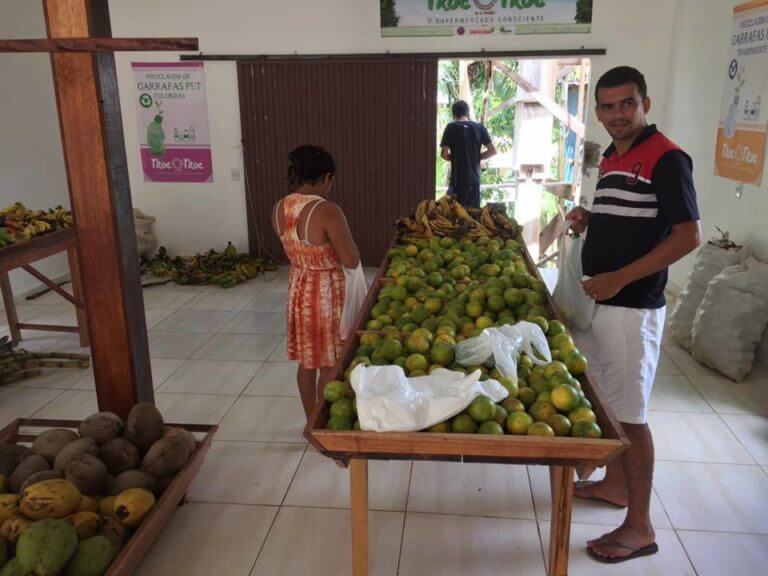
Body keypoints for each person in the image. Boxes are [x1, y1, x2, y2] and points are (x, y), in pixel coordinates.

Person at [565, 66, 701, 563]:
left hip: (632, 307)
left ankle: (640, 526)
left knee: (632, 418)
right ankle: (615, 486)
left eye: (627, 104)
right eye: (607, 106)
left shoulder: (667, 158)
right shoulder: (612, 157)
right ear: (597, 111)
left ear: (645, 103)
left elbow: (687, 236)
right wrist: (589, 217)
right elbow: (633, 217)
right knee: (611, 406)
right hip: (604, 301)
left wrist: (621, 277)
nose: (617, 115)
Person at [272, 145, 360, 420]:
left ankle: (310, 418)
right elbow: (351, 259)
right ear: (326, 177)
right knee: (330, 364)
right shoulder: (327, 211)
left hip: (299, 290)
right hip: (326, 296)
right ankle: (323, 422)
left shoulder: (279, 207)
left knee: (308, 361)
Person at [440, 100, 497, 208]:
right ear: (468, 113)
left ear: (454, 114)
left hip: (457, 181)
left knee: (454, 216)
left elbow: (444, 154)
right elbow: (492, 151)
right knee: (473, 217)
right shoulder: (480, 128)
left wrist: (455, 158)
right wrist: (475, 157)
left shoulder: (451, 127)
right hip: (474, 181)